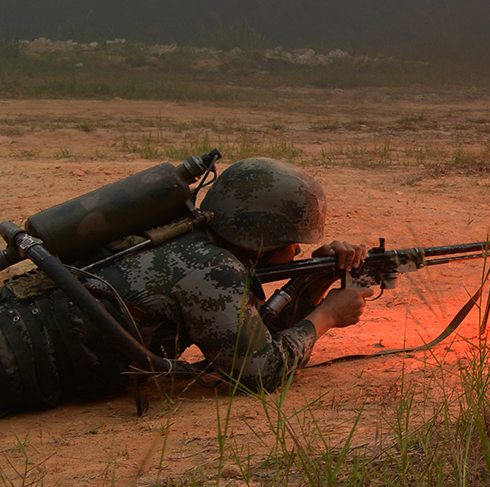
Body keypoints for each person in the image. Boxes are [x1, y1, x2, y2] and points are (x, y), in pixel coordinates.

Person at [0, 157, 370, 414]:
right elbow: (261, 371)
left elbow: (246, 337)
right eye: (293, 243)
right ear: (263, 237)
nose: (295, 251)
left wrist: (313, 279)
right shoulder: (214, 269)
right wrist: (326, 317)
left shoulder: (183, 235)